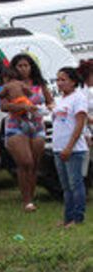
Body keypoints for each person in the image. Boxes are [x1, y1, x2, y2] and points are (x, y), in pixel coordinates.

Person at [0, 56, 50, 212]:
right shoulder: (10, 85)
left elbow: (49, 101)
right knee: (25, 162)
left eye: (26, 65)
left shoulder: (39, 84)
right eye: (19, 66)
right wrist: (20, 107)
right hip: (16, 125)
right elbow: (3, 106)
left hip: (37, 125)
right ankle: (26, 199)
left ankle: (31, 198)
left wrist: (46, 108)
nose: (23, 68)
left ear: (31, 67)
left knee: (34, 164)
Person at [50, 66, 89, 227]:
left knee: (76, 184)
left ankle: (77, 218)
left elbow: (80, 124)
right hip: (58, 148)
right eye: (58, 80)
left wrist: (69, 147)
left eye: (63, 79)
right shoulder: (60, 100)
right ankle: (68, 217)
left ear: (73, 82)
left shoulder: (78, 98)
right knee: (66, 187)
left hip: (73, 150)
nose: (59, 83)